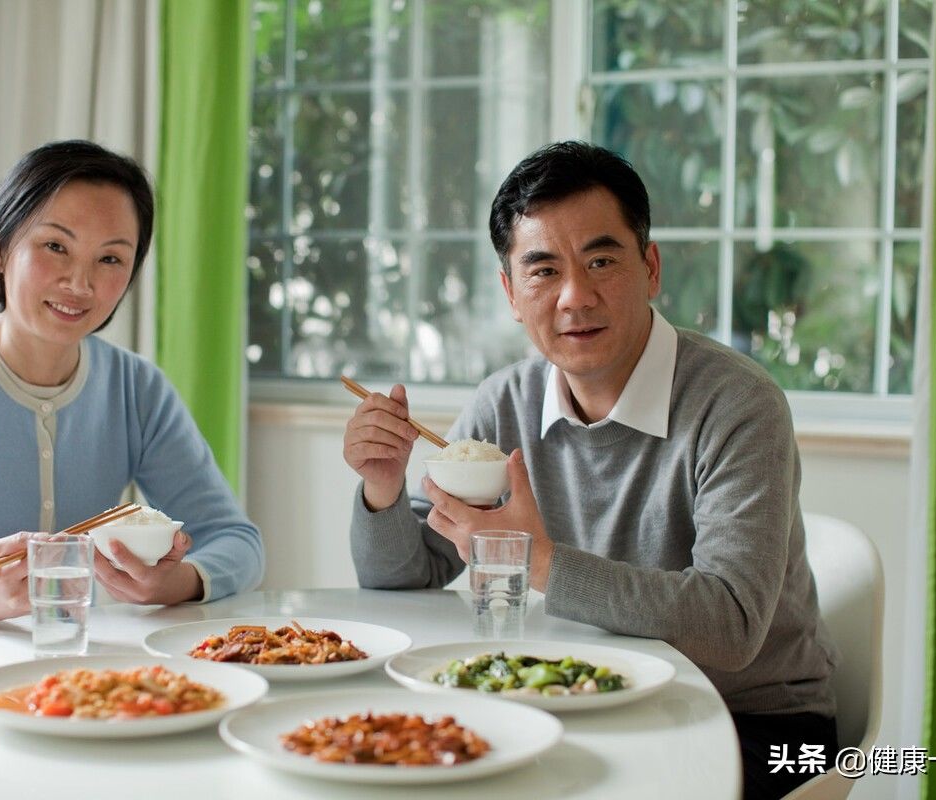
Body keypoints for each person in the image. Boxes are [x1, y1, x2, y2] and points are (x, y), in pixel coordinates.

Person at [343, 141, 838, 799]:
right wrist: (382, 485)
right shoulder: (506, 401)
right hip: (585, 698)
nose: (576, 296)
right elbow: (408, 574)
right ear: (511, 293)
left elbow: (731, 625)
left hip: (757, 724)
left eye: (602, 260)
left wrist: (540, 561)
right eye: (543, 270)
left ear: (651, 266)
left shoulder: (737, 404)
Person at [0, 140, 264, 637]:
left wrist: (176, 582)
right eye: (56, 246)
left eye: (111, 259)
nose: (81, 283)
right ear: (3, 249)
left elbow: (237, 541)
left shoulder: (137, 389)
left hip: (76, 669)